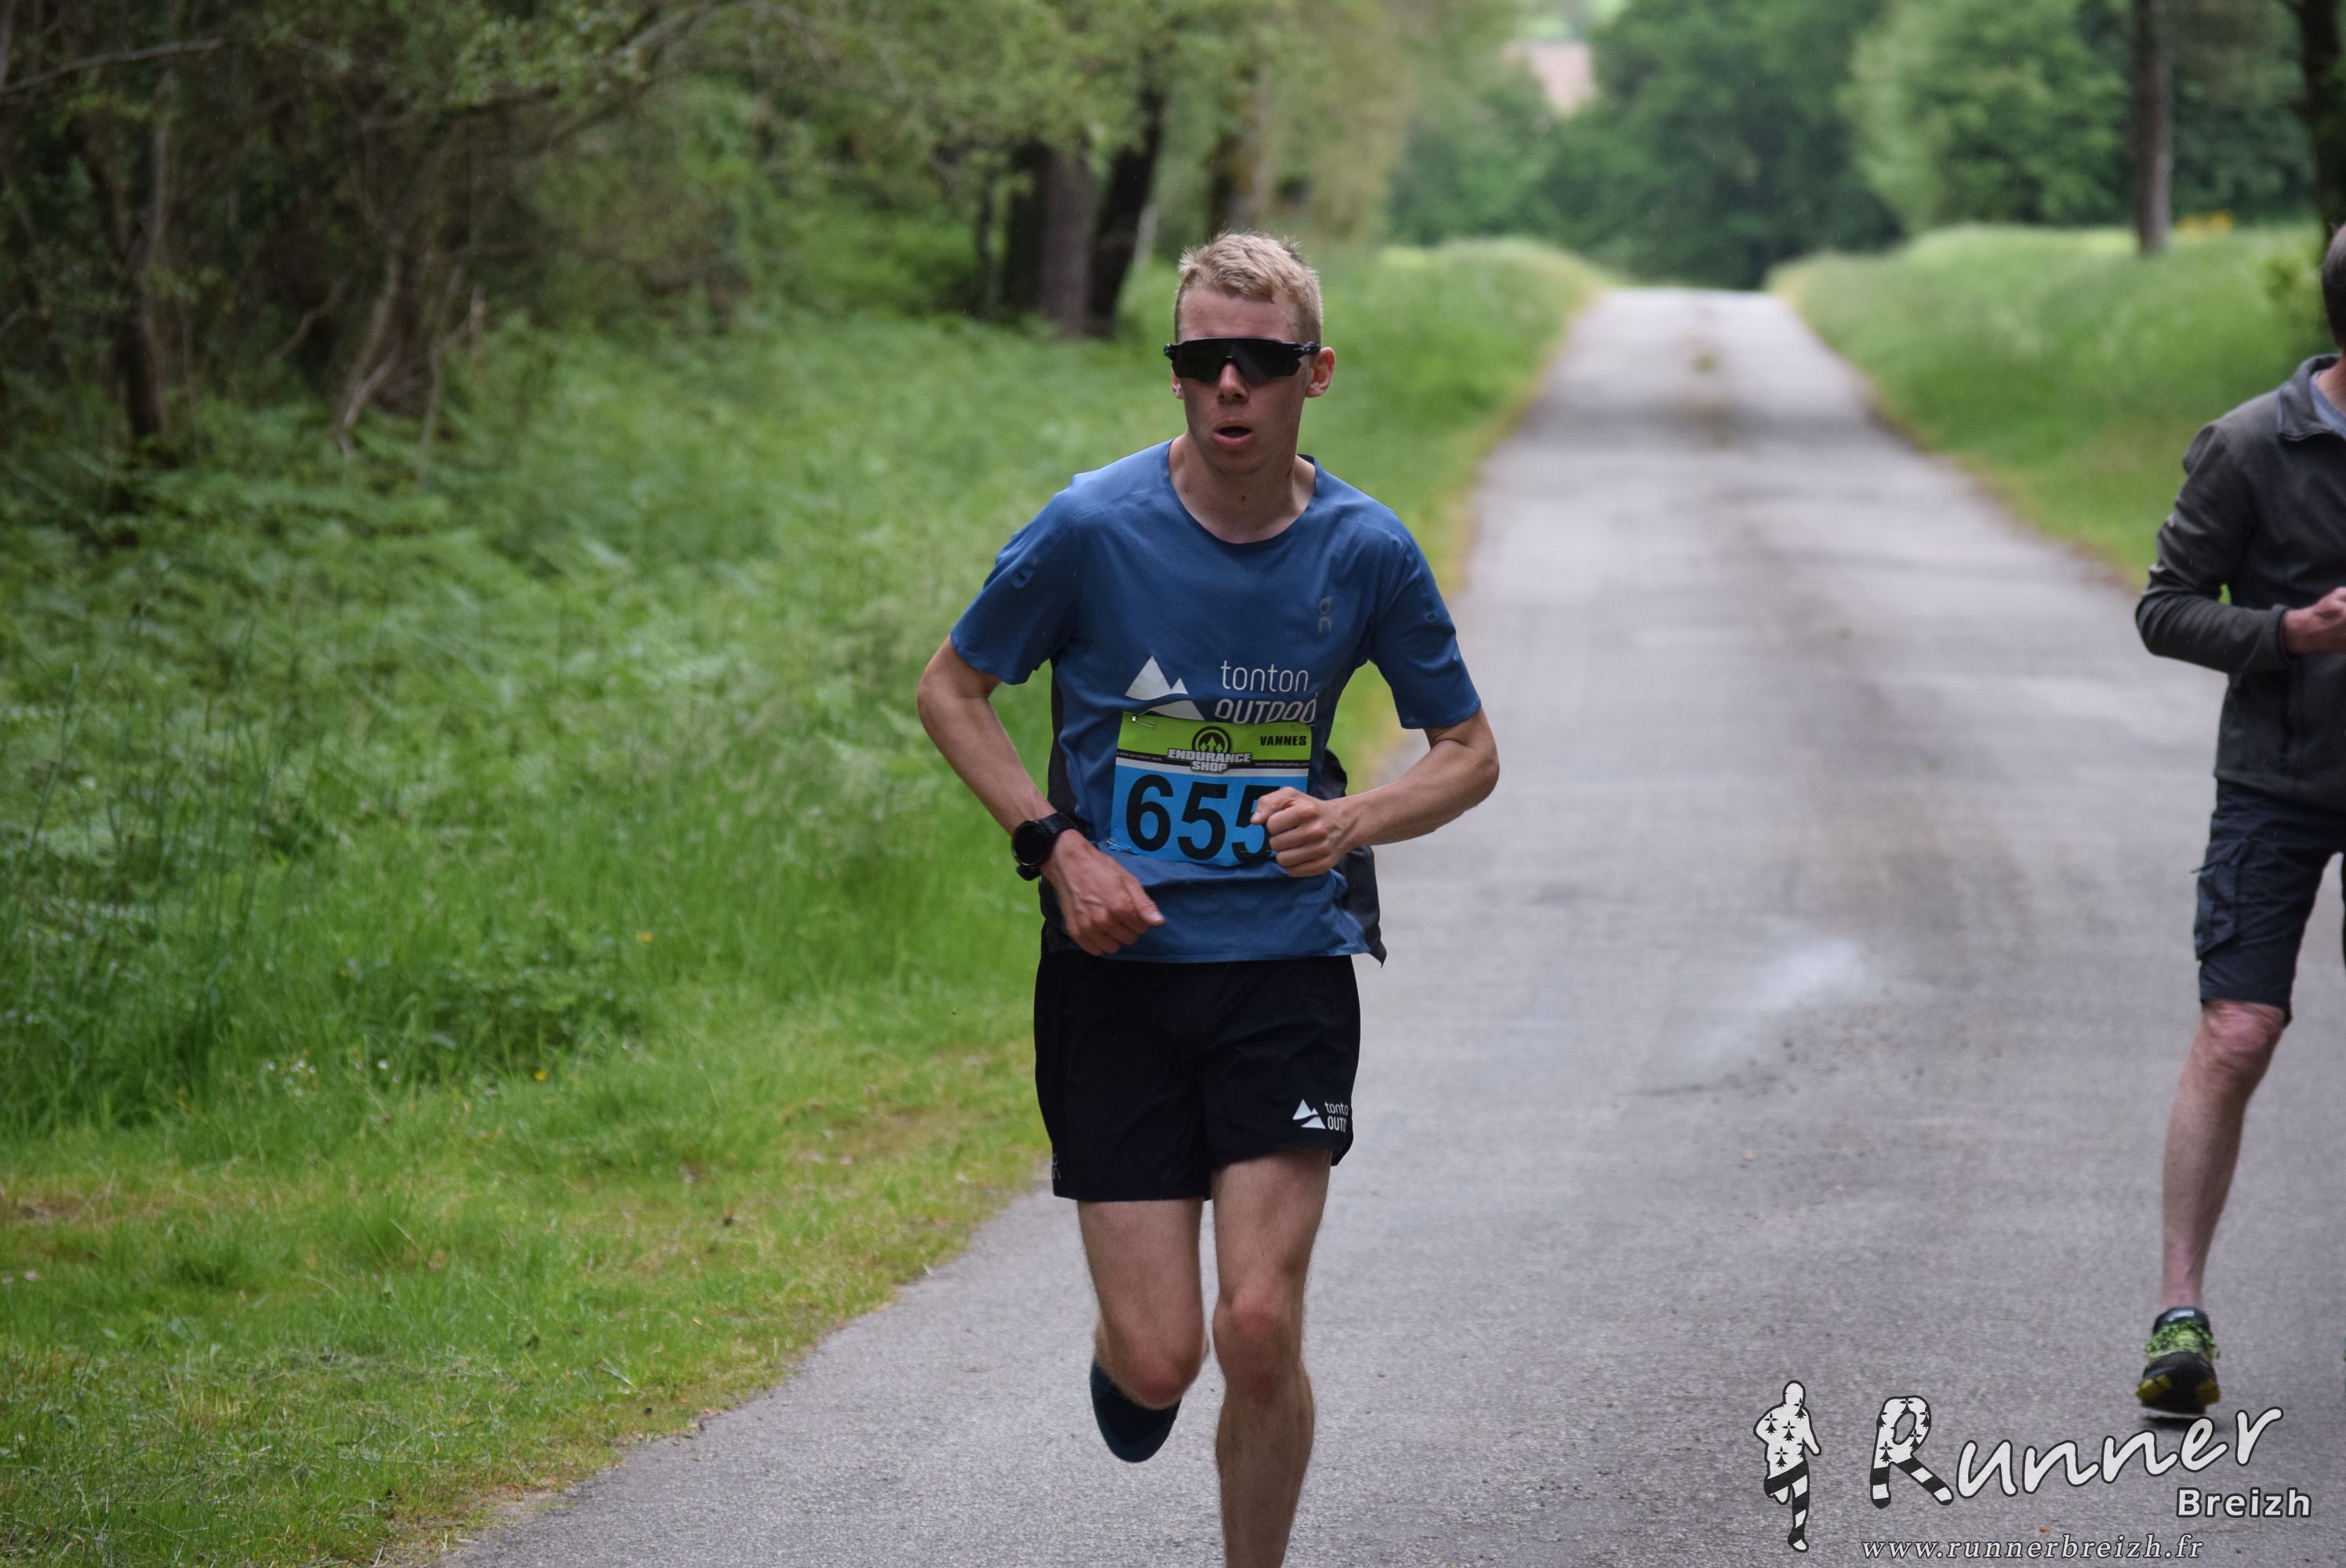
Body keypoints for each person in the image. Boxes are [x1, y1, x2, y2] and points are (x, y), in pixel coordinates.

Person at [915, 231, 1498, 1565]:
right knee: (1165, 1361)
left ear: (1315, 373)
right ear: (1176, 370)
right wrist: (1057, 847)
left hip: (1284, 970)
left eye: (1261, 361)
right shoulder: (1089, 529)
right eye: (1203, 358)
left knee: (1259, 1325)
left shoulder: (1365, 550)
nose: (1231, 384)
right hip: (1116, 977)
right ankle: (1130, 1359)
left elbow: (1469, 752)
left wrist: (1350, 819)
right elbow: (953, 690)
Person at [2134, 223, 2346, 1416]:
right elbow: (2165, 609)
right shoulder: (2252, 445)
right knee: (2238, 1032)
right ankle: (2181, 1315)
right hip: (2278, 783)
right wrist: (2288, 634)